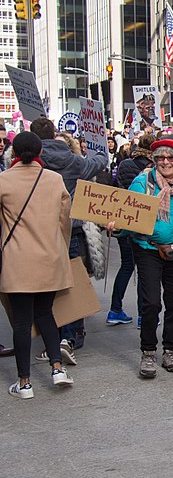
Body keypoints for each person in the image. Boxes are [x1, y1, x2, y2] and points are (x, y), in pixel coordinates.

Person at [109, 139, 173, 378]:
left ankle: (170, 349)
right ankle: (148, 352)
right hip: (148, 248)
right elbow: (129, 217)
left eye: (171, 158)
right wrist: (116, 227)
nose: (165, 162)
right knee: (150, 304)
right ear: (154, 160)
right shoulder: (142, 183)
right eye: (160, 158)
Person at [1, 132, 75, 398]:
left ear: (14, 153)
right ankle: (57, 368)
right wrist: (59, 248)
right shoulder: (55, 180)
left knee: (21, 322)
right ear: (40, 152)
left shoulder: (3, 181)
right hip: (49, 257)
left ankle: (24, 383)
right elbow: (64, 221)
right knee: (46, 314)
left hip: (17, 259)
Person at [30, 117, 107, 362]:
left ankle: (53, 336)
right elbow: (101, 162)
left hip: (39, 232)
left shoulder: (27, 162)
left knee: (46, 286)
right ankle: (69, 337)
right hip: (71, 231)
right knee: (72, 284)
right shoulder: (73, 162)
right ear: (54, 134)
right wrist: (98, 143)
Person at [109, 134, 156, 328]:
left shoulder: (125, 163)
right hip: (144, 222)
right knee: (144, 270)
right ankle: (143, 316)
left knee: (127, 266)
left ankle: (115, 309)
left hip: (124, 218)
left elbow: (117, 187)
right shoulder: (152, 168)